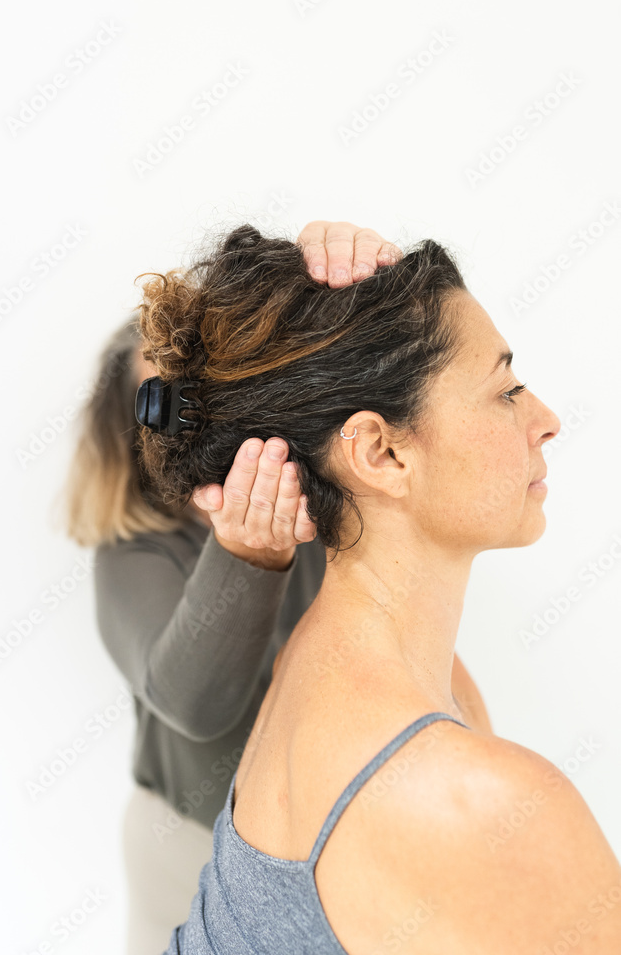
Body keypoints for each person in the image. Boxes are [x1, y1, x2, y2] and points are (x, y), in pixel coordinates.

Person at [131, 223, 621, 954]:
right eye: (506, 391)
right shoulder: (476, 802)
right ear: (382, 453)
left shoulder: (329, 666)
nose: (545, 421)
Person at [62, 223, 495, 954]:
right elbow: (191, 704)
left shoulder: (317, 494)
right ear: (132, 432)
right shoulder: (133, 555)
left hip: (323, 836)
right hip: (188, 842)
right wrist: (244, 555)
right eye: (173, 405)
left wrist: (344, 272)